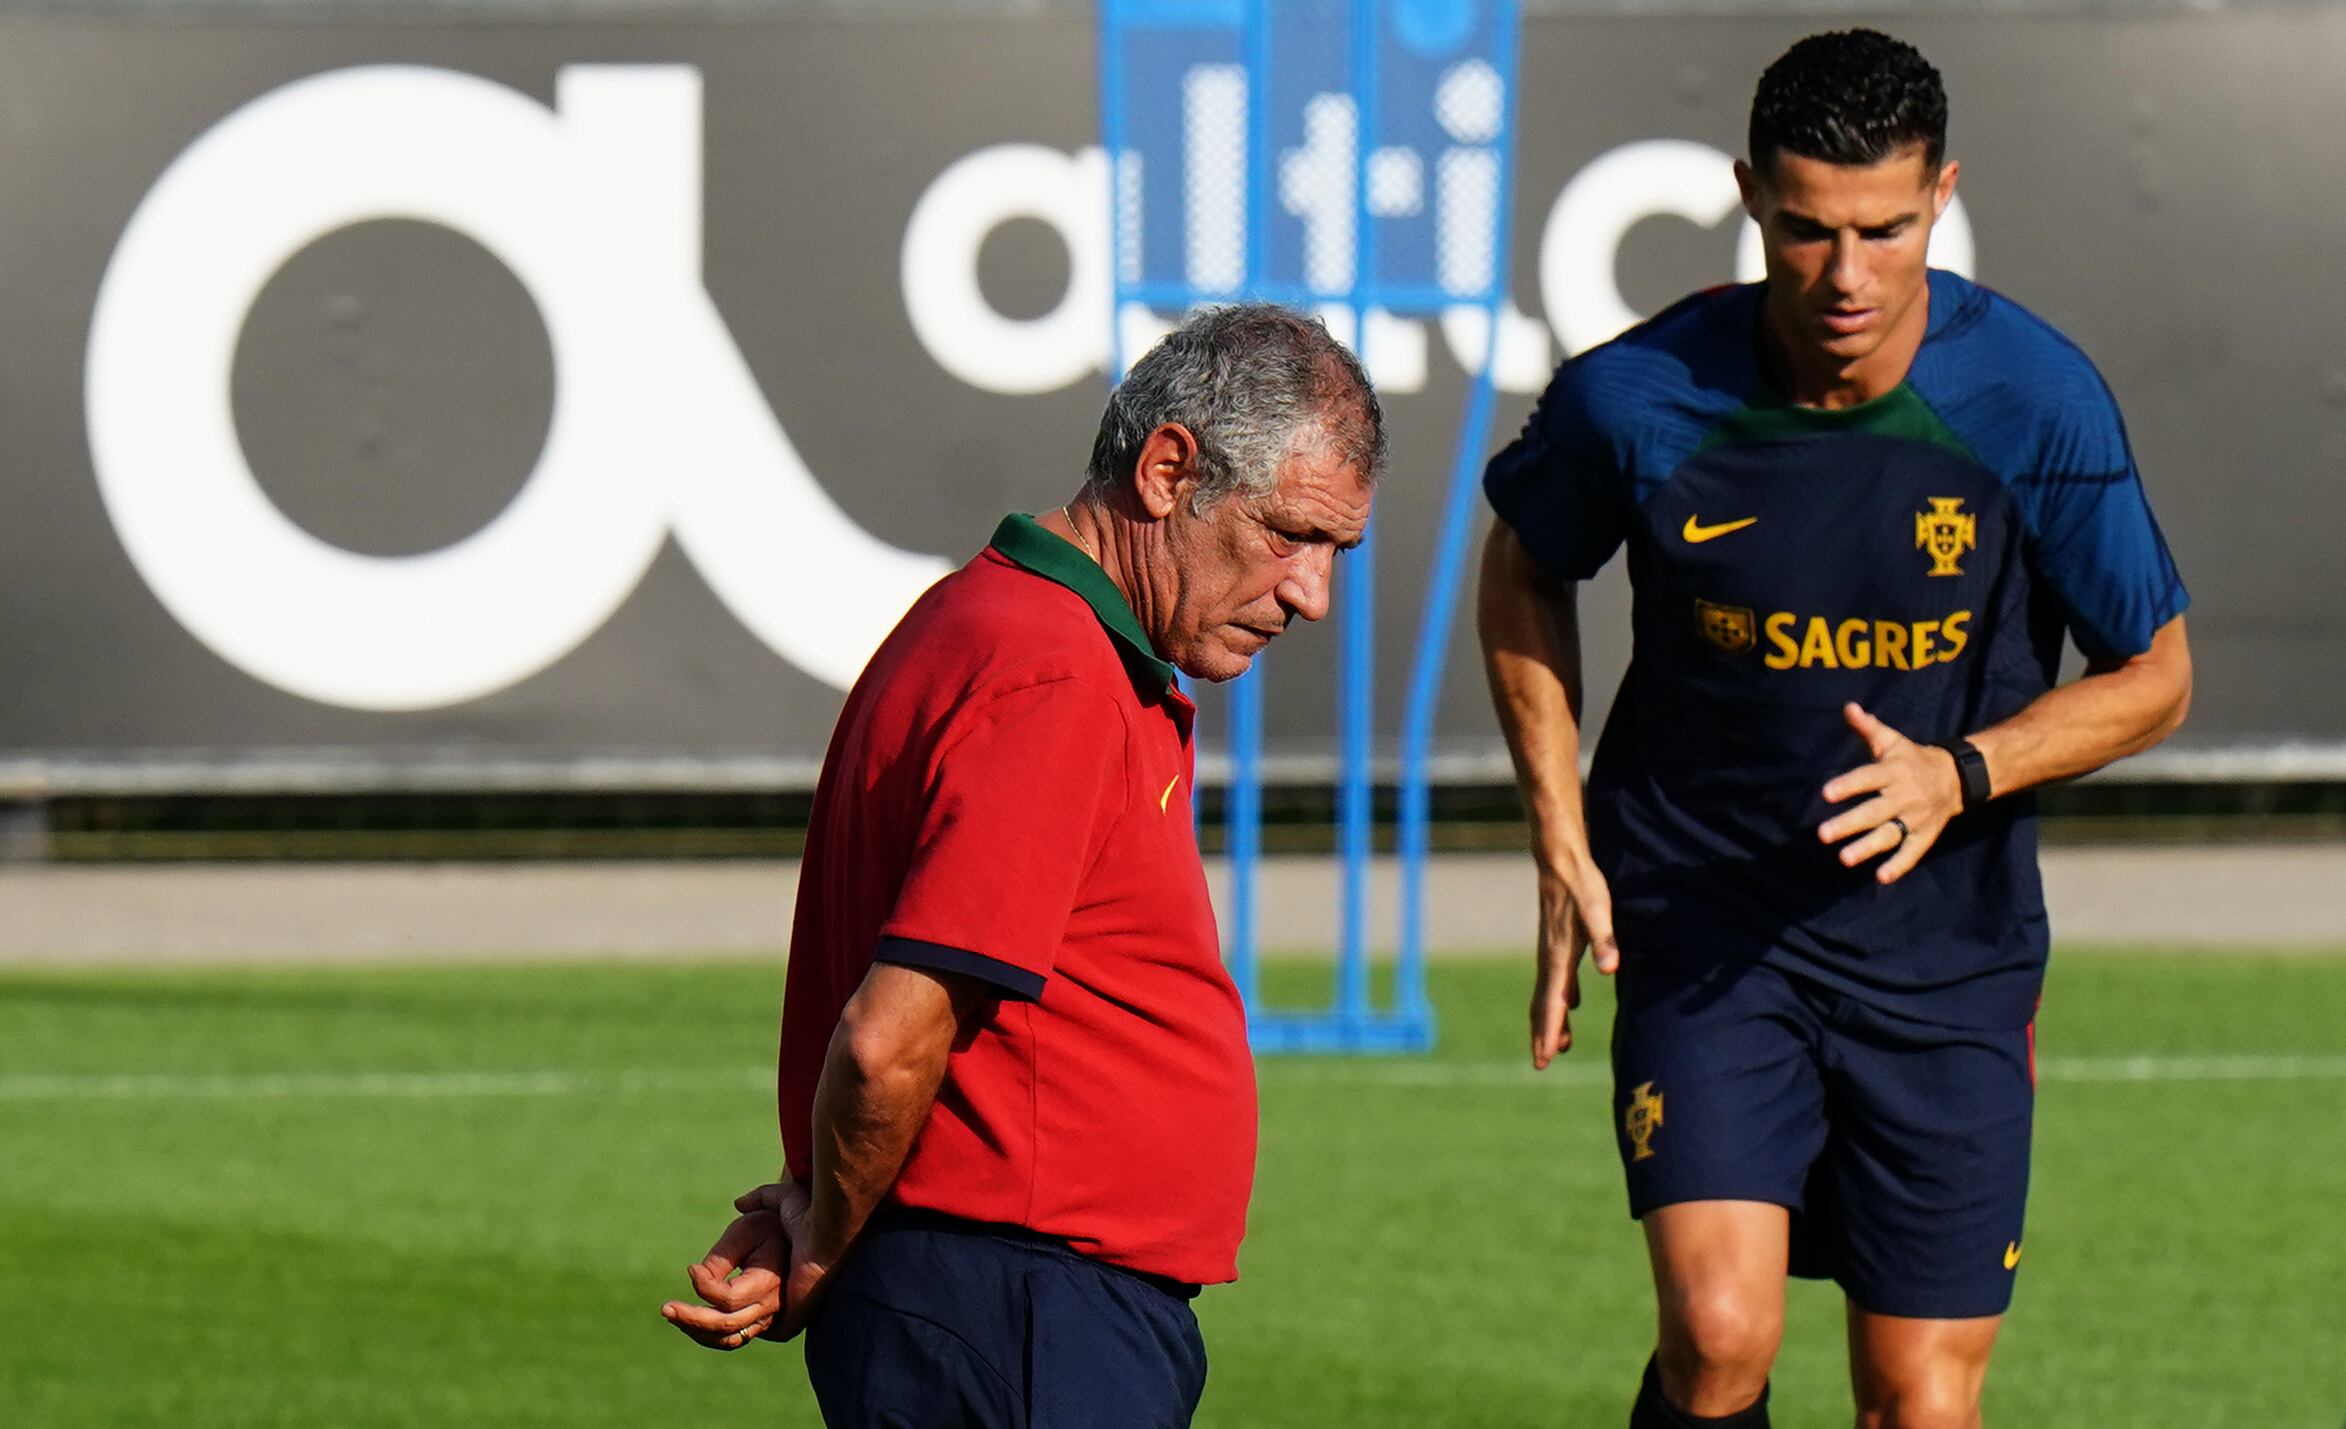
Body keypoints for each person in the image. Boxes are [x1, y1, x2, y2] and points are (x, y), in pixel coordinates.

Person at [1478, 29, 2192, 1429]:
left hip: (1945, 959)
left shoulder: (2031, 402)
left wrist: (1959, 772)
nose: (1846, 275)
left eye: (1883, 229)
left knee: (1918, 1399)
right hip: (1706, 920)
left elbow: (2157, 674)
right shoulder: (1633, 396)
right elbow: (1524, 562)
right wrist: (1558, 832)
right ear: (1748, 197)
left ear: (1940, 196)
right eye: (1806, 230)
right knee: (1717, 1333)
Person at [659, 303, 1382, 1427]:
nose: (1311, 591)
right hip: (1017, 1309)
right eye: (1289, 532)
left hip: (999, 1300)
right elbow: (889, 1037)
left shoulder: (996, 624)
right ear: (1167, 468)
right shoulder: (1055, 673)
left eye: (1337, 550)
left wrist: (824, 1201)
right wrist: (826, 1239)